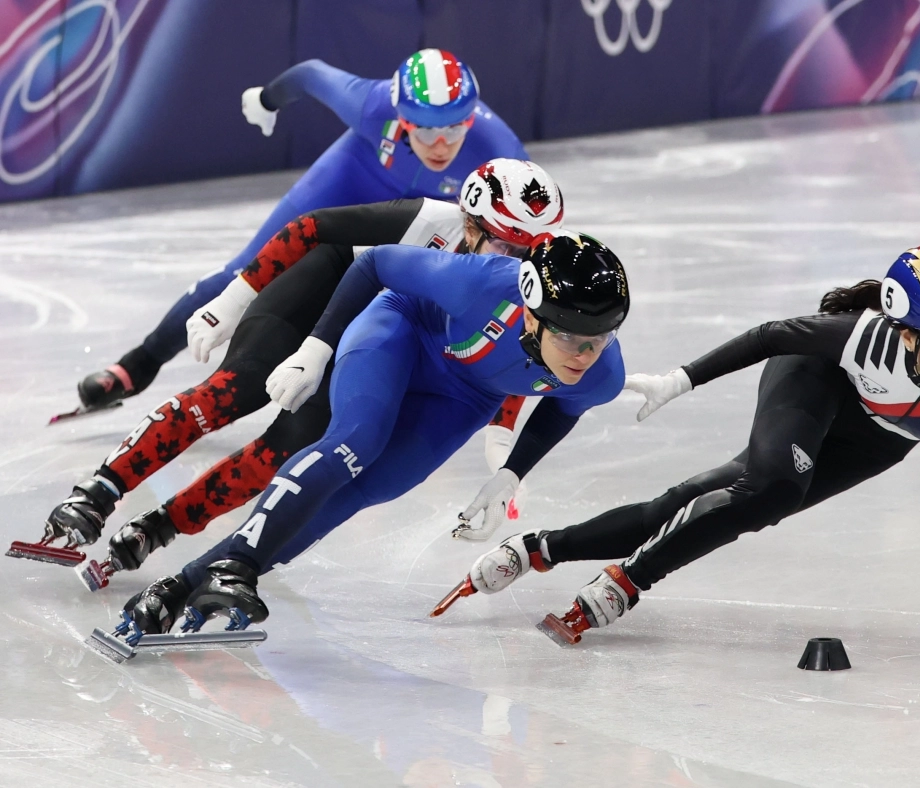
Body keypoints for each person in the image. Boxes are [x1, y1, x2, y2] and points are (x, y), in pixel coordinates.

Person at [435, 241, 920, 644]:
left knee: (715, 499)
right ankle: (627, 582)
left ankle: (540, 548)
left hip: (878, 439)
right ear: (907, 332)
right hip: (813, 381)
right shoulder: (859, 336)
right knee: (774, 486)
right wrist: (682, 378)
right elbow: (771, 336)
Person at [27, 160, 563, 586]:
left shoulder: (531, 280)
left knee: (284, 455)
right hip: (317, 299)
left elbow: (517, 356)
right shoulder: (427, 220)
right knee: (229, 392)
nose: (519, 261)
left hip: (373, 341)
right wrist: (233, 300)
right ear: (468, 225)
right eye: (507, 245)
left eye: (530, 250)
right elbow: (311, 227)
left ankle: (157, 529)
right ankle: (97, 491)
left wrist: (503, 450)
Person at [118, 232, 631, 635]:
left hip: (464, 396)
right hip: (400, 330)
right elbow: (374, 262)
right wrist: (316, 348)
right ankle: (239, 566)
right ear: (532, 314)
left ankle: (180, 587)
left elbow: (566, 407)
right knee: (355, 444)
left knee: (371, 487)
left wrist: (511, 475)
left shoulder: (603, 374)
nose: (585, 356)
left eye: (599, 340)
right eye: (570, 338)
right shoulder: (479, 284)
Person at [74, 49, 524, 411]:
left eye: (453, 131)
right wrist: (266, 99)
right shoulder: (371, 104)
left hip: (426, 211)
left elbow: (527, 244)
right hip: (350, 174)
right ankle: (139, 363)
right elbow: (311, 73)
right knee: (247, 271)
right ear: (401, 118)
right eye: (425, 132)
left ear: (471, 119)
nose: (440, 145)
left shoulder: (500, 152)